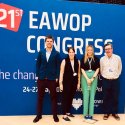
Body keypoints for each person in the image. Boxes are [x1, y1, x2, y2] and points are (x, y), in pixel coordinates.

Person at [33, 35, 60, 123]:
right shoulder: (41, 52)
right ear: (45, 42)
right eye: (47, 41)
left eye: (50, 41)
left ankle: (55, 116)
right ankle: (38, 115)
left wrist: (57, 77)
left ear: (53, 42)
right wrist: (37, 75)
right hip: (41, 78)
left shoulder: (56, 53)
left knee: (54, 98)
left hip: (52, 79)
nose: (49, 42)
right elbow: (38, 64)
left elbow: (58, 66)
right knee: (40, 98)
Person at [100, 43, 122, 120]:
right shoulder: (102, 59)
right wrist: (106, 76)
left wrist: (115, 76)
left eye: (109, 49)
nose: (108, 50)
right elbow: (101, 70)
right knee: (105, 97)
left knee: (115, 97)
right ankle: (106, 113)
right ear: (104, 50)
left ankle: (115, 113)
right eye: (106, 49)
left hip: (115, 81)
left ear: (112, 49)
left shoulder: (118, 58)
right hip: (106, 80)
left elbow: (120, 69)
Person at [59, 47, 80, 121]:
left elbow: (79, 73)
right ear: (68, 53)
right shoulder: (64, 61)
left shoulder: (78, 61)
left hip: (74, 83)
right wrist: (60, 83)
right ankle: (64, 115)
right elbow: (61, 72)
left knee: (70, 98)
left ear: (74, 53)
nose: (71, 53)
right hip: (66, 83)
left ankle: (68, 112)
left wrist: (78, 83)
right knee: (65, 98)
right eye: (70, 52)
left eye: (72, 52)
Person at [81, 45, 100, 120]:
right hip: (85, 77)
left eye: (91, 50)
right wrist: (87, 78)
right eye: (88, 50)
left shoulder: (96, 59)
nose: (89, 51)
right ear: (86, 50)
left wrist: (92, 78)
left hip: (94, 77)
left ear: (93, 51)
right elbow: (82, 69)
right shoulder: (83, 58)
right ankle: (85, 114)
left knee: (92, 96)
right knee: (85, 96)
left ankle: (91, 114)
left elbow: (98, 69)